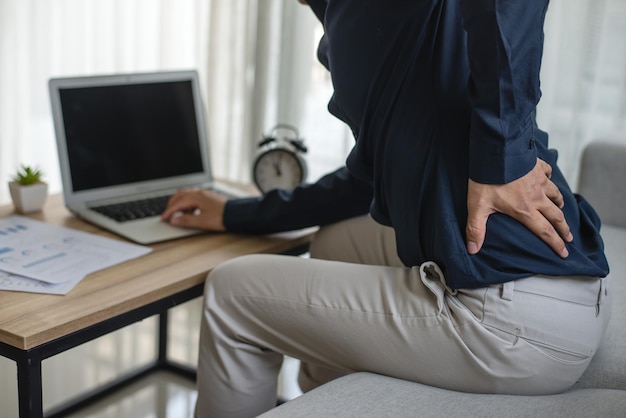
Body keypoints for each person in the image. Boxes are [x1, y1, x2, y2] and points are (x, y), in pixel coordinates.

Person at [161, 1, 611, 417]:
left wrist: (504, 159)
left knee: (231, 294)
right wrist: (237, 213)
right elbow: (368, 180)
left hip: (514, 323)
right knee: (339, 239)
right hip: (570, 294)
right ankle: (327, 404)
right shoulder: (361, 19)